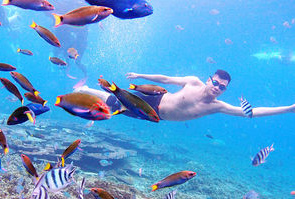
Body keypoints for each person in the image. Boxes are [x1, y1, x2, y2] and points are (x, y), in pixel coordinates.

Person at [74, 69, 295, 121]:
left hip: (155, 118)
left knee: (112, 109)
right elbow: (166, 80)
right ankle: (83, 90)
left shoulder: (217, 106)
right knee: (112, 101)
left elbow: (251, 113)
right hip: (155, 101)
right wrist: (140, 75)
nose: (217, 88)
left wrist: (289, 108)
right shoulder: (193, 82)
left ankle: (84, 94)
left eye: (222, 87)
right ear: (209, 80)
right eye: (216, 83)